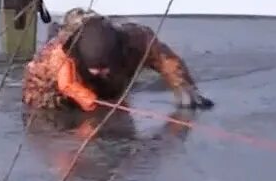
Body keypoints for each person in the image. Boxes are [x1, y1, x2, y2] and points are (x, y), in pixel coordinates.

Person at [20, 7, 213, 113]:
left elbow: (165, 60)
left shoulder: (136, 41)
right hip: (67, 87)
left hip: (114, 78)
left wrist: (183, 87)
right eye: (96, 68)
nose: (101, 72)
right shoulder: (52, 60)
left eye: (105, 67)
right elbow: (35, 97)